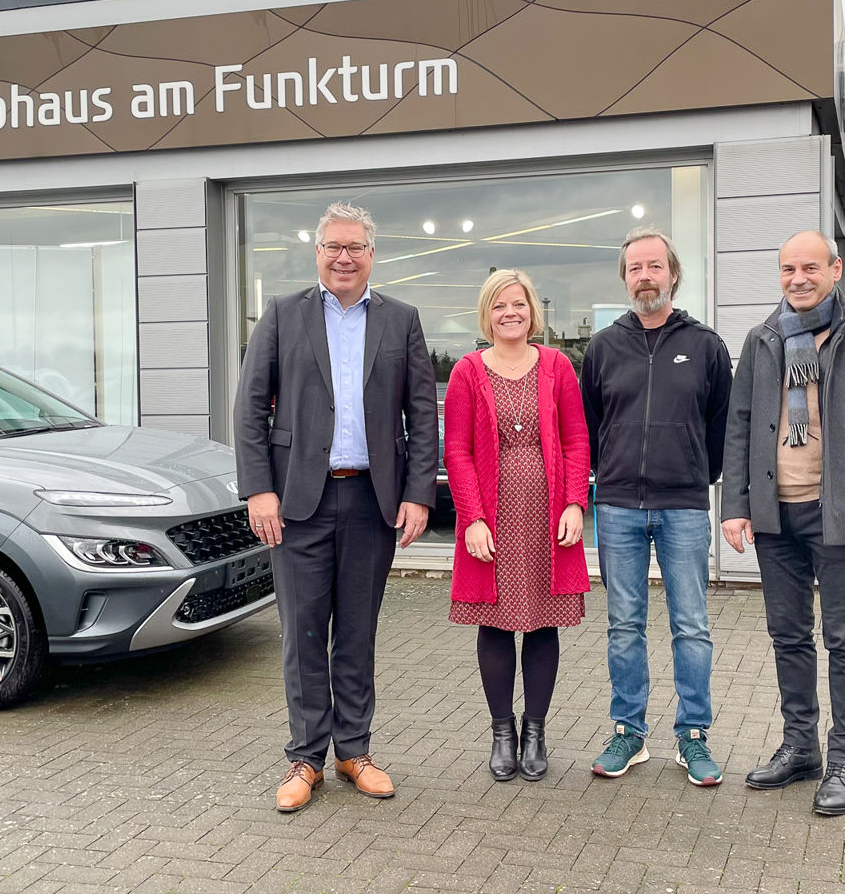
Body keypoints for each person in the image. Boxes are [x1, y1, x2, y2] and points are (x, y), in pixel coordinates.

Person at [233, 202, 439, 813]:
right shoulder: (282, 314)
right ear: (317, 252)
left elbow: (421, 415)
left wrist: (417, 492)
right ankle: (305, 757)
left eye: (355, 247)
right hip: (299, 501)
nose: (343, 257)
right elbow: (249, 408)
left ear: (372, 254)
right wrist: (259, 489)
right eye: (333, 247)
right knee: (300, 633)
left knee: (356, 631)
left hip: (372, 498)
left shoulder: (401, 319)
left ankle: (354, 749)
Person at [721, 229, 845, 816]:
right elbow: (740, 426)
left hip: (840, 519)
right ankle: (801, 747)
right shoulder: (762, 339)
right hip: (776, 517)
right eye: (787, 269)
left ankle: (844, 759)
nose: (798, 278)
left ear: (835, 269)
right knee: (788, 636)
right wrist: (737, 505)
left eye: (809, 268)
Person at [580, 226, 732, 786]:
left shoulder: (706, 345)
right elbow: (590, 423)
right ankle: (629, 732)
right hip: (617, 504)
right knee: (625, 625)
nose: (645, 276)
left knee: (690, 626)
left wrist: (699, 476)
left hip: (684, 506)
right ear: (625, 278)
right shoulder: (602, 347)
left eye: (654, 266)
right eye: (635, 268)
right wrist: (609, 473)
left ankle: (693, 737)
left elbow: (721, 425)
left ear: (673, 274)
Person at [443, 269, 590, 782]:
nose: (511, 313)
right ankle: (502, 732)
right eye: (500, 305)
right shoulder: (466, 371)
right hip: (493, 517)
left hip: (548, 517)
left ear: (533, 311)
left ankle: (535, 731)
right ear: (488, 314)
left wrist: (575, 502)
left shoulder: (557, 366)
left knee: (543, 621)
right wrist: (472, 519)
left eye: (519, 304)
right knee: (495, 622)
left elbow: (576, 441)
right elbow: (457, 452)